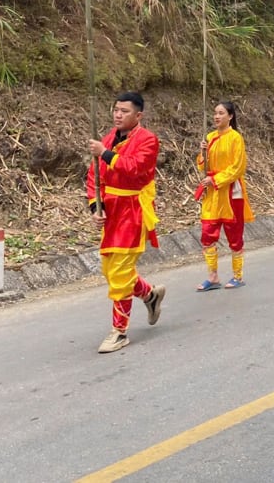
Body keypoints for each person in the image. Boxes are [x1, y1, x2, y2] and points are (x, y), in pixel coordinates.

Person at [86, 91, 167, 354]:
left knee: (120, 270)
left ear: (138, 115)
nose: (118, 115)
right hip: (112, 210)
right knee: (111, 270)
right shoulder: (108, 138)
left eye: (124, 111)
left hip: (132, 209)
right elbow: (93, 176)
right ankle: (149, 294)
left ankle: (119, 331)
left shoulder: (148, 140)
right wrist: (96, 206)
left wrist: (106, 153)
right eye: (116, 110)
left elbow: (136, 168)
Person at [194, 101, 255, 291]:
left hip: (230, 192)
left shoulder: (236, 138)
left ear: (230, 116)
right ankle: (212, 276)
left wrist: (217, 179)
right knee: (207, 233)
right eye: (215, 113)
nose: (216, 116)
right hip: (212, 193)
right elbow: (203, 167)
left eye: (221, 113)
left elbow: (238, 167)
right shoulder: (210, 137)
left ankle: (237, 275)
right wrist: (203, 153)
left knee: (234, 234)